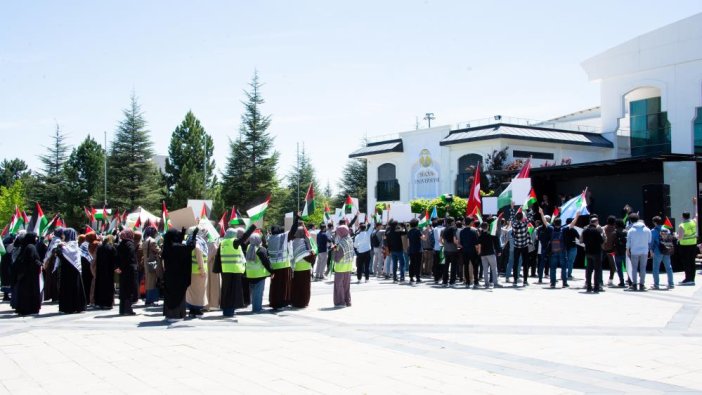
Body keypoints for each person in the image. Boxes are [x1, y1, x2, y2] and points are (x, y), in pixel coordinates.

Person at [213, 226, 255, 317]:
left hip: (225, 270)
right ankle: (230, 311)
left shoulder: (222, 242)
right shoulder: (234, 242)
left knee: (225, 291)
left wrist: (216, 269)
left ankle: (225, 310)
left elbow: (218, 257)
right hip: (234, 270)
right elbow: (244, 237)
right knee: (233, 292)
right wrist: (253, 226)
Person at [162, 228, 194, 320]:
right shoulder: (179, 248)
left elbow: (178, 242)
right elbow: (191, 247)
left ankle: (169, 315)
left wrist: (182, 233)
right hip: (179, 276)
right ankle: (176, 315)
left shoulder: (167, 247)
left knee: (169, 295)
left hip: (169, 276)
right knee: (178, 296)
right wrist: (194, 236)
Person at [54, 228, 87, 313]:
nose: (63, 236)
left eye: (64, 234)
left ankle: (71, 307)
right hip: (70, 270)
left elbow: (61, 254)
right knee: (71, 288)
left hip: (70, 270)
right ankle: (73, 307)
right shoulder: (68, 245)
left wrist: (59, 247)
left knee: (70, 289)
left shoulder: (72, 245)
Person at [13, 232, 43, 316]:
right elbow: (33, 260)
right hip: (30, 275)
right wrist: (41, 264)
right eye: (35, 237)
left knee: (24, 292)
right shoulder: (31, 247)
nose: (36, 239)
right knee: (31, 292)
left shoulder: (25, 246)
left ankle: (23, 308)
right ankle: (30, 309)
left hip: (24, 274)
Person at [267, 221, 294, 310]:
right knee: (284, 285)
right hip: (284, 265)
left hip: (274, 266)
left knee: (275, 285)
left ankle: (274, 301)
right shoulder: (282, 236)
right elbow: (293, 231)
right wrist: (297, 219)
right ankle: (282, 302)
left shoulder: (270, 238)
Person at [244, 232, 273, 313]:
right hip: (259, 274)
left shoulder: (249, 247)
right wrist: (272, 271)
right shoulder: (261, 249)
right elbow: (266, 262)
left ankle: (255, 307)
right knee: (258, 293)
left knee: (253, 293)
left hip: (250, 274)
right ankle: (257, 308)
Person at [186, 227, 209, 317]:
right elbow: (199, 255)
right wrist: (202, 270)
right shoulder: (198, 242)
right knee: (199, 292)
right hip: (198, 271)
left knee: (192, 292)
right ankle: (196, 310)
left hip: (190, 270)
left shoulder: (188, 240)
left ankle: (192, 310)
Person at [116, 229, 139, 316]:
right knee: (129, 289)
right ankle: (128, 310)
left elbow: (117, 258)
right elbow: (131, 258)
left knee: (123, 289)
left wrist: (119, 267)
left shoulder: (120, 245)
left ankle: (122, 310)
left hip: (122, 270)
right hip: (130, 270)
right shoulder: (130, 244)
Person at [332, 218, 355, 307]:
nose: (337, 233)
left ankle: (340, 302)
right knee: (346, 286)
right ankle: (347, 301)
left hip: (340, 268)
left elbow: (337, 258)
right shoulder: (349, 240)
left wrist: (334, 250)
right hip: (348, 267)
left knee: (339, 286)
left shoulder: (341, 243)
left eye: (338, 232)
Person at [291, 224, 314, 308]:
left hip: (296, 267)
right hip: (306, 267)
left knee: (296, 286)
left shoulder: (292, 242)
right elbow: (311, 252)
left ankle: (296, 301)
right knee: (305, 286)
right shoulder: (305, 241)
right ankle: (304, 302)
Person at [626, 213, 651, 291]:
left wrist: (627, 250)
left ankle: (634, 285)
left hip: (634, 251)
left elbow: (628, 242)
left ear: (630, 220)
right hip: (644, 251)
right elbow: (649, 241)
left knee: (634, 268)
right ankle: (642, 284)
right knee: (643, 268)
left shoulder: (631, 230)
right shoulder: (647, 229)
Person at [677, 197, 698, 286]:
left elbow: (680, 237)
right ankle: (692, 279)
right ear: (689, 216)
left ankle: (688, 279)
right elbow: (696, 215)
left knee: (686, 263)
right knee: (692, 262)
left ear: (682, 216)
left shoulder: (682, 225)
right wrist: (695, 204)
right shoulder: (693, 222)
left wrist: (676, 236)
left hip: (685, 246)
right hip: (693, 245)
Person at [94, 235, 118, 309]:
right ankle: (108, 303)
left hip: (100, 270)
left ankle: (99, 302)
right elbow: (114, 260)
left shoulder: (99, 248)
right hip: (109, 271)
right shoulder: (112, 248)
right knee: (108, 287)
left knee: (100, 286)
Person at [581, 217, 604, 293]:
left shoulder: (585, 231)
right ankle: (596, 287)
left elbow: (583, 240)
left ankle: (588, 286)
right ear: (596, 223)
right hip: (596, 252)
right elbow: (601, 241)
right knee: (597, 270)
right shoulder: (597, 231)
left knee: (589, 270)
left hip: (588, 252)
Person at [510, 203, 530, 287]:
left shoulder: (514, 224)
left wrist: (512, 208)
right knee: (525, 263)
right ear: (522, 218)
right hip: (524, 246)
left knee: (515, 263)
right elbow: (530, 217)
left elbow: (511, 218)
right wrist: (526, 208)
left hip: (516, 246)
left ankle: (515, 280)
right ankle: (525, 280)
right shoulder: (525, 224)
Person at [141, 226, 161, 306]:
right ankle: (150, 300)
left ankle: (148, 299)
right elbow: (158, 250)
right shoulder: (152, 241)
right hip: (152, 263)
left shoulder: (145, 240)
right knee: (152, 282)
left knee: (148, 281)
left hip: (146, 263)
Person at [477, 222, 500, 288]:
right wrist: (498, 250)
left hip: (483, 254)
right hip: (490, 253)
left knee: (485, 269)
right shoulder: (491, 234)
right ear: (487, 227)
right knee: (494, 269)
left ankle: (486, 283)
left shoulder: (480, 236)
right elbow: (496, 242)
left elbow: (479, 245)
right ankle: (495, 283)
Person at [652, 225, 676, 290]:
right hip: (666, 250)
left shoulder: (654, 231)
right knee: (669, 267)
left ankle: (656, 285)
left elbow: (652, 241)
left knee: (656, 268)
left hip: (658, 250)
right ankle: (671, 284)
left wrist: (651, 250)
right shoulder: (666, 229)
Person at [459, 216, 479, 288]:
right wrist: (478, 251)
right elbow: (477, 243)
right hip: (473, 251)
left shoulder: (462, 231)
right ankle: (476, 281)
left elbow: (461, 243)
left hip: (465, 251)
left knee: (466, 266)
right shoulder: (474, 231)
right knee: (475, 266)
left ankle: (467, 282)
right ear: (471, 222)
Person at [440, 217, 459, 287]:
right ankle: (452, 282)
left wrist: (444, 245)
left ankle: (444, 281)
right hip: (453, 250)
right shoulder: (453, 228)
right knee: (453, 267)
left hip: (446, 250)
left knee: (446, 266)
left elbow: (440, 240)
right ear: (452, 222)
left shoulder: (444, 229)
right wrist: (458, 245)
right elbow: (454, 240)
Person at [406, 218, 423, 283]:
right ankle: (418, 277)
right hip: (418, 249)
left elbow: (408, 243)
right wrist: (426, 232)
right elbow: (424, 238)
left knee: (412, 263)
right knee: (418, 264)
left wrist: (409, 249)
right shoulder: (418, 231)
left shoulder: (409, 231)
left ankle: (411, 277)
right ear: (417, 224)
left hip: (411, 250)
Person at [612, 219, 628, 287]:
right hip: (625, 252)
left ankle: (621, 281)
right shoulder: (626, 232)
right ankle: (630, 281)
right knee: (628, 267)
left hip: (617, 252)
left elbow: (612, 242)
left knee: (619, 268)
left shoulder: (614, 232)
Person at [1, 234, 15, 302]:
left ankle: (6, 295)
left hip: (4, 266)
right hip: (8, 266)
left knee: (5, 281)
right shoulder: (8, 246)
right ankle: (6, 295)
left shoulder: (4, 247)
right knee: (8, 280)